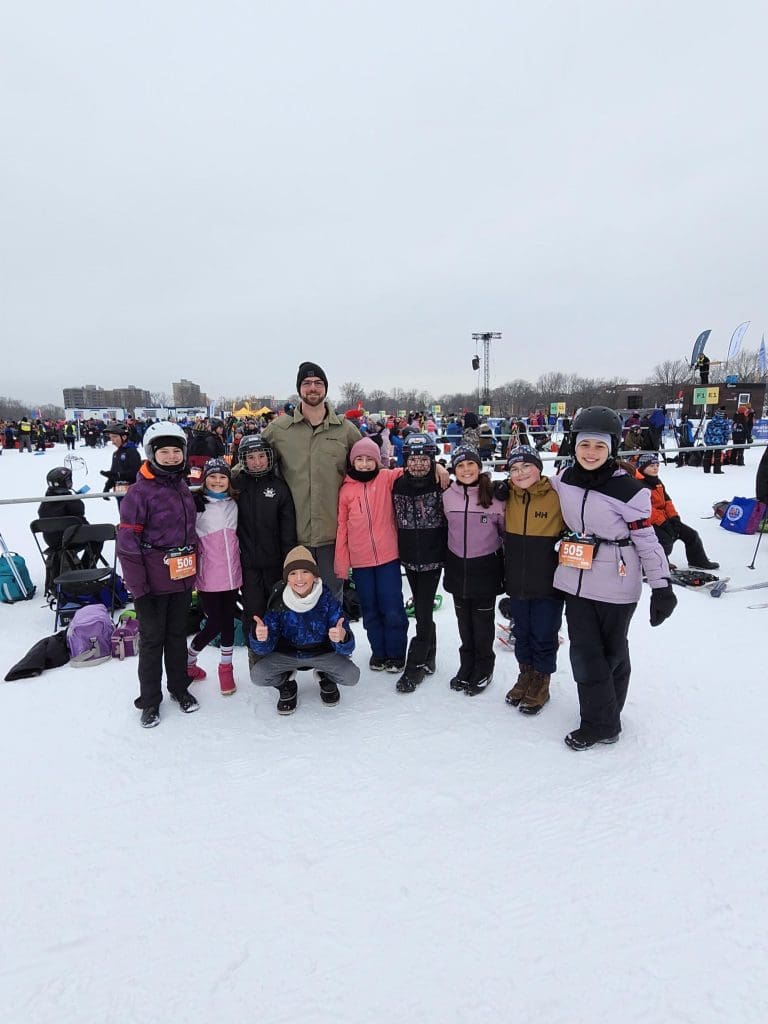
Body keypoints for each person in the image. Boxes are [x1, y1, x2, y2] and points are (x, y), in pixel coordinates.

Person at [549, 407, 676, 750]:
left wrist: (662, 587)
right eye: (584, 444)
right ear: (574, 445)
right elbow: (530, 483)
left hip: (617, 582)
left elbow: (647, 540)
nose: (590, 453)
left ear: (612, 449)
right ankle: (602, 721)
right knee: (586, 653)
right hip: (575, 577)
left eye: (599, 446)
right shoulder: (564, 479)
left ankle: (605, 717)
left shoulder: (628, 490)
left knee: (613, 652)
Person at [116, 422, 199, 728]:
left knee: (177, 638)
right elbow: (127, 544)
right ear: (152, 454)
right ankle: (150, 700)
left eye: (176, 451)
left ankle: (179, 687)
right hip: (151, 584)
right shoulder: (139, 493)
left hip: (181, 578)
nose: (171, 456)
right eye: (164, 452)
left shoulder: (182, 486)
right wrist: (139, 588)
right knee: (152, 643)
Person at [261, 361, 361, 598]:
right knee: (298, 599)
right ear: (299, 389)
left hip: (333, 534)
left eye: (318, 383)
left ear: (325, 388)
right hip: (294, 535)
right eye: (306, 383)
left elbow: (372, 466)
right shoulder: (279, 429)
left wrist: (435, 469)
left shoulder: (345, 430)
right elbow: (249, 463)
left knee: (331, 598)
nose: (312, 388)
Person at [249, 546, 359, 714]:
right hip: (288, 655)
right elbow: (264, 648)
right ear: (287, 579)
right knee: (258, 675)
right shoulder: (279, 601)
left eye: (305, 572)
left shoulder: (327, 599)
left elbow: (347, 647)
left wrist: (343, 638)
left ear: (315, 575)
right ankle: (287, 684)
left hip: (322, 654)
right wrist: (260, 638)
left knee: (352, 676)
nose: (299, 578)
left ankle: (326, 678)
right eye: (293, 573)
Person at [498, 445, 565, 715]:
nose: (521, 473)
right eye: (514, 469)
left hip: (549, 582)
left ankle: (541, 682)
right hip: (517, 581)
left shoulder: (558, 494)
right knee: (522, 633)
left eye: (526, 466)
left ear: (539, 467)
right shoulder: (506, 494)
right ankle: (525, 675)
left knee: (544, 634)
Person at [335, 437, 409, 673]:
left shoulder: (386, 478)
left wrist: (438, 467)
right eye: (360, 459)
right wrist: (342, 563)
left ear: (378, 460)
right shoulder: (346, 490)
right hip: (361, 562)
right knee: (370, 609)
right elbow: (342, 527)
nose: (365, 464)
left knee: (392, 606)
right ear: (352, 462)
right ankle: (379, 652)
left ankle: (396, 653)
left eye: (369, 459)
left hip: (388, 557)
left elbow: (411, 470)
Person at [442, 445, 505, 695]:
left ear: (479, 466)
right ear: (454, 469)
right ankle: (467, 664)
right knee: (464, 622)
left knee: (482, 623)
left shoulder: (495, 495)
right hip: (457, 566)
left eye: (471, 464)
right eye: (460, 465)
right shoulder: (448, 495)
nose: (466, 470)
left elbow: (505, 532)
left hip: (485, 568)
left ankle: (484, 666)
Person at [231, 434, 297, 661]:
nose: (257, 462)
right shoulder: (236, 486)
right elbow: (214, 496)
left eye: (261, 456)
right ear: (243, 460)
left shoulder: (279, 488)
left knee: (279, 609)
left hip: (275, 564)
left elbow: (288, 531)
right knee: (253, 610)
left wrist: (289, 563)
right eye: (251, 457)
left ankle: (282, 655)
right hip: (248, 564)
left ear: (269, 457)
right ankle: (257, 656)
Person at [391, 433, 448, 692]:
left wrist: (441, 469)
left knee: (423, 612)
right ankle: (430, 655)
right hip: (409, 556)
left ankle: (415, 665)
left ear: (432, 460)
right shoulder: (397, 484)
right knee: (423, 610)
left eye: (424, 459)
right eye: (413, 460)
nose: (418, 465)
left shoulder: (441, 484)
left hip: (432, 557)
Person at [186, 458, 243, 695]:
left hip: (232, 574)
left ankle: (225, 668)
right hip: (208, 575)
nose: (217, 481)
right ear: (204, 479)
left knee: (228, 621)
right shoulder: (197, 504)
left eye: (222, 477)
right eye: (212, 477)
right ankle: (189, 661)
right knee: (214, 623)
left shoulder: (234, 503)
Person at [633, 452, 719, 570]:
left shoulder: (656, 481)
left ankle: (698, 561)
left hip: (664, 518)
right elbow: (645, 508)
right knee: (665, 540)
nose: (655, 468)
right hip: (648, 521)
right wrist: (663, 523)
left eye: (657, 465)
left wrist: (674, 518)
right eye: (651, 466)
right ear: (642, 467)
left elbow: (667, 501)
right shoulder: (637, 484)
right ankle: (660, 564)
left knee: (691, 534)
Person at [100, 423, 141, 504]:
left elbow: (135, 472)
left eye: (115, 437)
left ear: (124, 437)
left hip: (132, 492)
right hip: (119, 493)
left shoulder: (131, 451)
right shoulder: (116, 453)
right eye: (111, 438)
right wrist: (107, 486)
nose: (112, 441)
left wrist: (118, 475)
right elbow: (114, 472)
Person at [703, 406, 730, 474]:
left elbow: (706, 432)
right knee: (717, 456)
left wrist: (706, 439)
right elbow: (726, 433)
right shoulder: (724, 423)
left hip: (709, 441)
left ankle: (706, 469)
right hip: (719, 441)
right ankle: (717, 470)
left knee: (708, 454)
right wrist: (725, 441)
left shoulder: (711, 422)